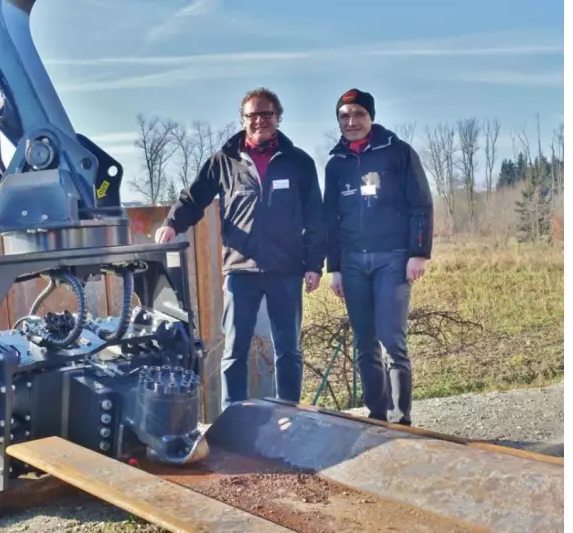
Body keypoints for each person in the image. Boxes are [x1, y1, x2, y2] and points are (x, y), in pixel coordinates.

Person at [155, 87, 326, 410]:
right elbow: (194, 197)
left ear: (278, 117)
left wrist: (314, 264)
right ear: (243, 119)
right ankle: (232, 418)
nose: (259, 120)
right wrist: (172, 224)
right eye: (252, 115)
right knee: (234, 350)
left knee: (288, 350)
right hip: (240, 272)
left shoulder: (299, 162)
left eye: (266, 114)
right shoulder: (224, 161)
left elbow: (316, 217)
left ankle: (289, 413)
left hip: (286, 270)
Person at [323, 88, 433, 426]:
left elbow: (421, 205)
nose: (351, 122)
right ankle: (377, 416)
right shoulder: (336, 164)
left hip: (392, 260)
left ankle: (401, 419)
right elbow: (330, 220)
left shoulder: (397, 153)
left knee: (391, 342)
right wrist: (335, 268)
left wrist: (418, 253)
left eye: (358, 114)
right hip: (353, 263)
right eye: (344, 116)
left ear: (371, 117)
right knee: (364, 344)